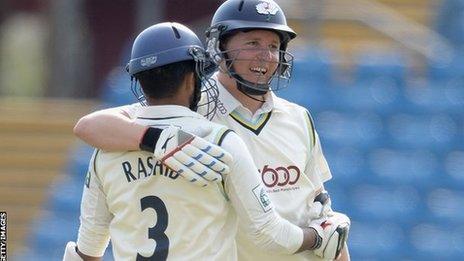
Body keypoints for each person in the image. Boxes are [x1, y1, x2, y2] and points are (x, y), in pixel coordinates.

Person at [72, 0, 351, 260]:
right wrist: (157, 139)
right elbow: (89, 126)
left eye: (274, 45)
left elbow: (318, 203)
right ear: (219, 46)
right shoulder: (190, 107)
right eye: (253, 43)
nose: (266, 55)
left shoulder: (298, 117)